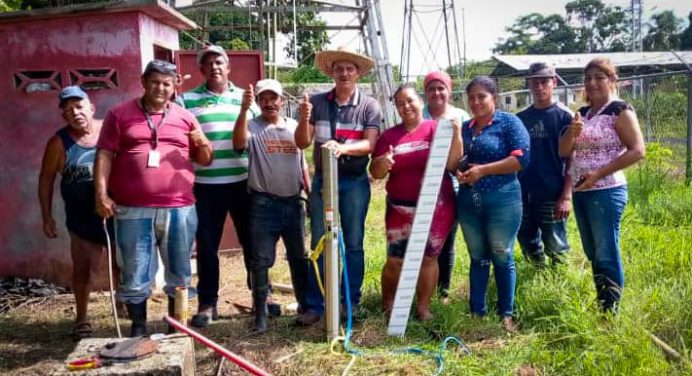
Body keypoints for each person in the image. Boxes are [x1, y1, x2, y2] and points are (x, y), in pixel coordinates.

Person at [94, 60, 214, 337]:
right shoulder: (119, 114)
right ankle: (138, 328)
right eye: (155, 82)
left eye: (167, 83)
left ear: (174, 87)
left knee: (180, 268)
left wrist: (200, 140)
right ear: (143, 82)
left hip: (179, 207)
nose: (161, 88)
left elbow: (206, 160)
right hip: (132, 208)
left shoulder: (185, 117)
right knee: (135, 269)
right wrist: (101, 193)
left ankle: (177, 325)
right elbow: (104, 154)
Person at [295, 46, 382, 325]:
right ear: (331, 72)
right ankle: (315, 305)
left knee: (353, 242)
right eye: (339, 68)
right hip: (323, 182)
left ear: (357, 73)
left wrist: (342, 149)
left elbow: (370, 144)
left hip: (354, 182)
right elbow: (302, 142)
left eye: (349, 68)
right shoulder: (318, 103)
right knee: (320, 240)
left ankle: (349, 301)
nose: (344, 73)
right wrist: (303, 117)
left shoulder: (369, 105)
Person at [177, 45, 260, 328]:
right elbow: (176, 136)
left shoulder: (245, 98)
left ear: (228, 67)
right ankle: (207, 303)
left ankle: (262, 296)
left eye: (219, 61)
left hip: (244, 182)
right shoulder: (186, 100)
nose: (214, 66)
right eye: (208, 63)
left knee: (252, 242)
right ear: (201, 69)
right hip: (205, 186)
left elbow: (260, 131)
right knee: (207, 246)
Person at [559, 58, 644, 312]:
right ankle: (603, 300)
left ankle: (611, 310)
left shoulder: (619, 111)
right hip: (582, 191)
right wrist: (572, 132)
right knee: (592, 250)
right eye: (588, 79)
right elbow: (563, 151)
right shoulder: (583, 114)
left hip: (607, 191)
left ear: (611, 80)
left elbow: (637, 150)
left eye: (599, 77)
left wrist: (599, 173)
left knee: (606, 249)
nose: (592, 83)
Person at [371, 83, 462, 320]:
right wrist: (383, 162)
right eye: (400, 103)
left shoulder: (437, 129)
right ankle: (389, 303)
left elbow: (452, 165)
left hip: (435, 206)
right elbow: (376, 173)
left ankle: (423, 307)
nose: (406, 106)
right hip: (400, 208)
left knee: (428, 258)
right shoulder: (389, 136)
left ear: (421, 102)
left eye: (410, 101)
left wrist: (458, 135)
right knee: (395, 260)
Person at [233, 79, 311, 332]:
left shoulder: (293, 126)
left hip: (293, 203)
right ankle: (260, 314)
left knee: (299, 258)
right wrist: (243, 111)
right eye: (263, 99)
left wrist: (310, 193)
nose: (269, 103)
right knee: (260, 260)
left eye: (273, 98)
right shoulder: (252, 127)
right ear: (257, 102)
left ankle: (305, 306)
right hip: (263, 204)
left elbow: (303, 157)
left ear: (282, 101)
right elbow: (238, 144)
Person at [38, 86, 114, 339]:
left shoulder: (109, 129)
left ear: (91, 108)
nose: (75, 113)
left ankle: (126, 303)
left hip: (117, 211)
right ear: (63, 116)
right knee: (83, 268)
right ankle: (82, 318)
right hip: (81, 217)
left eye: (79, 106)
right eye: (68, 110)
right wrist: (46, 216)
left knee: (124, 263)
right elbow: (46, 179)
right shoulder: (59, 143)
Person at [456, 76, 530, 332]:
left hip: (503, 200)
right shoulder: (465, 128)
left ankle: (506, 314)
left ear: (494, 98)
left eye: (481, 97)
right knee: (477, 258)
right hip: (468, 201)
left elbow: (521, 159)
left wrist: (484, 171)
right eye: (471, 97)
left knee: (502, 254)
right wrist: (459, 170)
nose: (475, 102)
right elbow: (456, 159)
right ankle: (477, 311)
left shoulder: (509, 123)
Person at [516, 62, 573, 266]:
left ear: (554, 83)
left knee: (555, 244)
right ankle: (537, 276)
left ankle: (559, 283)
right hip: (523, 192)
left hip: (552, 191)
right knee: (526, 239)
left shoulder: (566, 117)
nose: (539, 87)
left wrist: (566, 195)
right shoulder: (520, 118)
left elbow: (572, 159)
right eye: (534, 83)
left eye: (543, 82)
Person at [422, 70, 470, 303]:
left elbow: (467, 154)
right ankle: (422, 290)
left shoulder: (461, 116)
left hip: (452, 187)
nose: (436, 93)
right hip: (421, 188)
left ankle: (443, 291)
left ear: (449, 91)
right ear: (425, 92)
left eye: (441, 88)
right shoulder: (419, 115)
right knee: (422, 242)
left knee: (445, 242)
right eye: (431, 88)